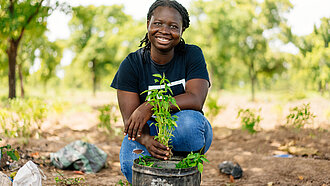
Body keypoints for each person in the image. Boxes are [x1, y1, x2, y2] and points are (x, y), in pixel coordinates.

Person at [110, 0, 213, 183]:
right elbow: (130, 122)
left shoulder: (191, 55)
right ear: (148, 23)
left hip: (181, 127)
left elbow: (196, 99)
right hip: (147, 131)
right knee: (130, 165)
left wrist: (152, 105)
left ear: (182, 31)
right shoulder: (132, 64)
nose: (164, 30)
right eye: (157, 23)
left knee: (191, 127)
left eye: (173, 26)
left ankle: (185, 167)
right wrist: (147, 141)